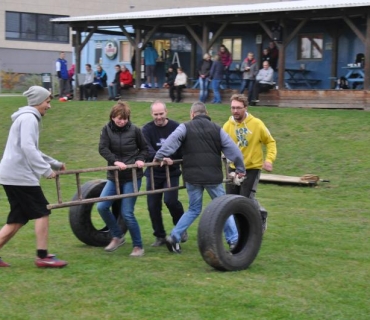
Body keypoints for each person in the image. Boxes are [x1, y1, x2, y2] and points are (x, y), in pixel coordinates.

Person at [154, 101, 246, 253]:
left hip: (192, 177)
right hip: (212, 177)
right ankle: (234, 241)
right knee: (223, 207)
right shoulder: (217, 129)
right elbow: (234, 151)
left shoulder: (185, 127)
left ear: (192, 114)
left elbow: (171, 141)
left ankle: (174, 237)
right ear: (207, 114)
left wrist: (159, 156)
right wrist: (240, 169)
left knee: (193, 209)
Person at [0, 86, 68, 268]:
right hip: (19, 175)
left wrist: (55, 163)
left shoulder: (26, 118)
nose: (49, 106)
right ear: (38, 102)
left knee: (17, 219)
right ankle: (43, 256)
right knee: (42, 211)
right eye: (47, 102)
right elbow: (28, 148)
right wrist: (46, 171)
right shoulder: (29, 119)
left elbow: (32, 149)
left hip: (10, 174)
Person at [97, 101, 148, 257]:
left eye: (125, 118)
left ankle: (138, 246)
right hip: (115, 176)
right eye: (119, 118)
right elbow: (103, 148)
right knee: (102, 206)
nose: (122, 121)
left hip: (132, 176)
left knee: (127, 212)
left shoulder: (135, 130)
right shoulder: (106, 130)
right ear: (113, 117)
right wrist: (115, 161)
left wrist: (140, 159)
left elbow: (145, 148)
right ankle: (117, 235)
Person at [223, 94, 277, 233]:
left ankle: (257, 219)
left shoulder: (257, 124)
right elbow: (220, 146)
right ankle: (240, 229)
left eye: (238, 108)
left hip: (251, 168)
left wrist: (269, 160)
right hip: (233, 168)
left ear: (245, 108)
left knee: (244, 200)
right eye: (233, 108)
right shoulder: (227, 126)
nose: (235, 111)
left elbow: (270, 142)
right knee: (230, 201)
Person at [141, 101, 185, 247]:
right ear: (151, 114)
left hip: (171, 172)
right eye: (156, 114)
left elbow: (181, 148)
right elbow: (146, 148)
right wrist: (160, 157)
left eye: (161, 114)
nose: (159, 117)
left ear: (166, 112)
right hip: (154, 172)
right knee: (153, 205)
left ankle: (180, 228)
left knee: (171, 201)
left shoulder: (176, 127)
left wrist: (171, 159)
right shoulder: (146, 129)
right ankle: (159, 236)